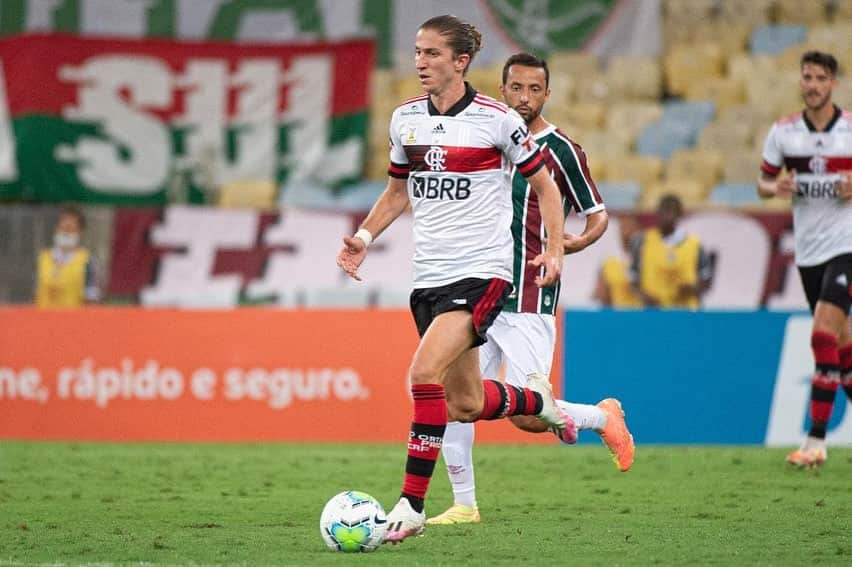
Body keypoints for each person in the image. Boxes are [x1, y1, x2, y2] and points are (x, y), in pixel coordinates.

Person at [336, 16, 570, 543]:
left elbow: (547, 187)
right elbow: (399, 191)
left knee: (422, 375)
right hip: (430, 280)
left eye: (432, 54)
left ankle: (412, 505)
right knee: (463, 401)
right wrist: (364, 237)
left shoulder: (497, 120)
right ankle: (541, 404)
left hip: (483, 273)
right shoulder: (405, 122)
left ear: (460, 62)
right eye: (417, 52)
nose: (421, 62)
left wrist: (554, 248)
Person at [428, 53, 635, 526]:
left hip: (528, 293)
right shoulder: (484, 137)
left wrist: (574, 243)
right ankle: (464, 504)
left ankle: (602, 418)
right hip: (478, 289)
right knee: (454, 398)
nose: (524, 97)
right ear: (501, 90)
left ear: (547, 93)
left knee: (527, 415)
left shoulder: (561, 149)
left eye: (534, 89)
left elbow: (597, 212)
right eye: (516, 88)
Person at [757, 50, 852, 468]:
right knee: (843, 348)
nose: (813, 84)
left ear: (833, 83)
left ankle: (815, 440)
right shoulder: (784, 133)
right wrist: (775, 188)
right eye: (807, 77)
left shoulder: (850, 131)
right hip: (809, 253)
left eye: (821, 78)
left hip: (846, 246)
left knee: (821, 337)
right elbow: (762, 181)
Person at [629, 194, 712, 309]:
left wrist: (692, 289)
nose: (665, 216)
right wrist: (645, 297)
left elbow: (706, 280)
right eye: (662, 211)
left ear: (679, 214)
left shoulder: (694, 245)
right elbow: (633, 280)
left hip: (686, 312)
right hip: (652, 313)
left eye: (670, 211)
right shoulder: (642, 242)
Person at [35, 206, 100, 307]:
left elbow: (91, 299)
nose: (66, 232)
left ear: (80, 232)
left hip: (71, 320)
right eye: (63, 228)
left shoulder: (86, 261)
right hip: (42, 318)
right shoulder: (43, 258)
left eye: (70, 229)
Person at [594, 215, 643, 308]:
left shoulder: (647, 260)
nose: (627, 232)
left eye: (631, 227)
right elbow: (601, 295)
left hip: (645, 316)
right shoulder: (609, 262)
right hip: (619, 316)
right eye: (624, 227)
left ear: (639, 230)